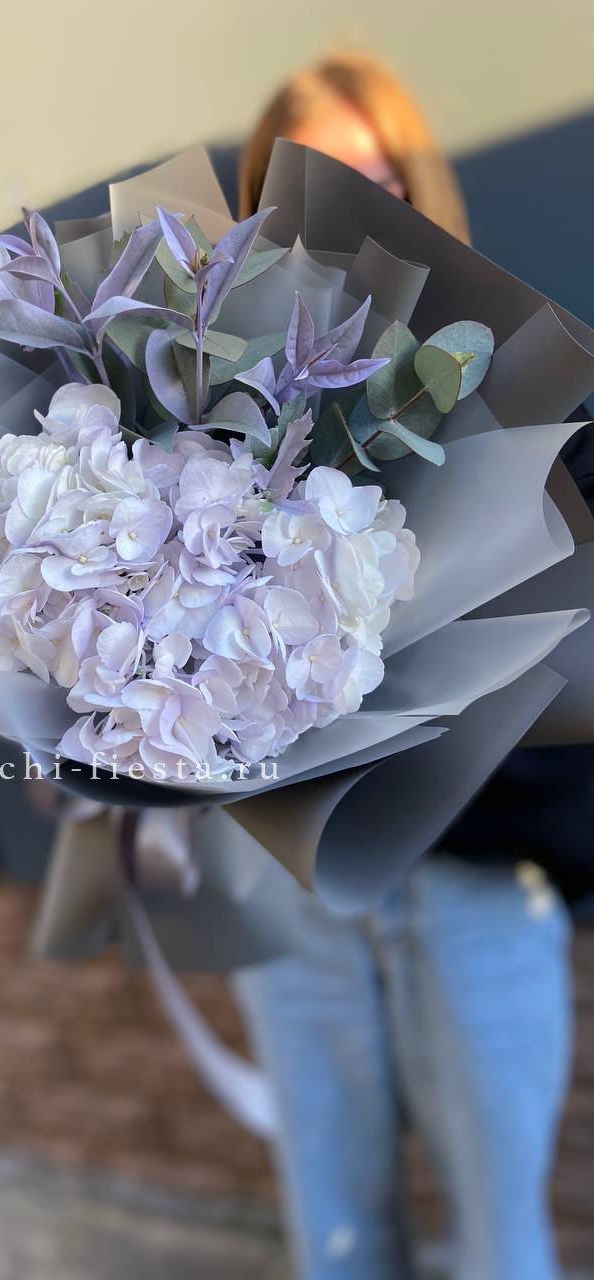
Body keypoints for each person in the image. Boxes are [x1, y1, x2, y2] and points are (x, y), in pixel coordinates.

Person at [232, 51, 590, 1280]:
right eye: (315, 178)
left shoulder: (539, 373)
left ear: (422, 186)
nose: (356, 205)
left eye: (378, 176)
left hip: (476, 876)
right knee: (335, 1224)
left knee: (502, 1240)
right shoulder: (215, 397)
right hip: (295, 876)